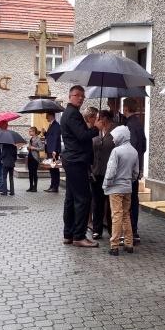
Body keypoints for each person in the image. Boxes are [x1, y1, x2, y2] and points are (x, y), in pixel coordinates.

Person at [60, 85, 100, 247]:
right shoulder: (72, 114)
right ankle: (79, 236)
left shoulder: (70, 113)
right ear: (70, 97)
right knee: (84, 199)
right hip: (76, 160)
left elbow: (79, 134)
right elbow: (83, 136)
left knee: (71, 198)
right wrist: (96, 128)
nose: (81, 98)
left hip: (73, 160)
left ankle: (69, 234)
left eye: (83, 96)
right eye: (77, 95)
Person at [103, 125, 139, 255]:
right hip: (127, 187)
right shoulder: (134, 152)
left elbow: (111, 171)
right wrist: (129, 181)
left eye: (115, 137)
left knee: (116, 216)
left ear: (121, 137)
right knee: (125, 215)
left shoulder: (116, 151)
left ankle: (114, 245)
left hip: (115, 188)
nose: (113, 140)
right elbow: (136, 173)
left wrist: (106, 184)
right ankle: (129, 244)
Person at [121, 99, 147, 246]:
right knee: (133, 199)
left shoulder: (129, 126)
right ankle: (133, 230)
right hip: (136, 167)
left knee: (128, 200)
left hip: (129, 168)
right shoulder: (138, 124)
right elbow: (143, 147)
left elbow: (130, 148)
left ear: (125, 108)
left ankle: (131, 231)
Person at [90, 110, 115, 239]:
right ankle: (97, 229)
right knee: (97, 202)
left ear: (104, 119)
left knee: (111, 203)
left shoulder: (116, 132)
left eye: (98, 118)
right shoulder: (96, 131)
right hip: (96, 171)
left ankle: (112, 229)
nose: (96, 120)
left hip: (110, 173)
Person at [43, 111, 62, 192]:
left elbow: (56, 138)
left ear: (51, 115)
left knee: (54, 168)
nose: (46, 117)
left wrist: (54, 150)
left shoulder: (56, 125)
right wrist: (45, 133)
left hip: (53, 150)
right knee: (51, 168)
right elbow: (50, 136)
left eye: (47, 115)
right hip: (49, 149)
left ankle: (55, 186)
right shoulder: (51, 125)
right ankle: (52, 185)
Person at [26, 127, 43, 192]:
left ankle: (35, 187)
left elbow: (41, 148)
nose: (29, 132)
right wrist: (29, 148)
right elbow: (30, 147)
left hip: (35, 157)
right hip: (30, 156)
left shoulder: (38, 139)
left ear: (34, 132)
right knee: (30, 172)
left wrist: (34, 148)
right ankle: (30, 186)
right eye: (29, 131)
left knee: (34, 172)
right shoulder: (31, 139)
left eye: (31, 131)